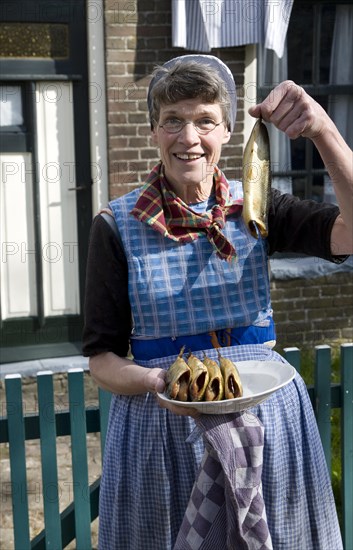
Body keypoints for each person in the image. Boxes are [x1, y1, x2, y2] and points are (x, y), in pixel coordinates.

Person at [82, 54, 352, 550]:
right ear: (153, 131)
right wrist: (161, 383)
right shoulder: (115, 226)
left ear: (228, 130)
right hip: (161, 430)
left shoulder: (258, 207)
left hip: (268, 423)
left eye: (205, 120)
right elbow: (101, 359)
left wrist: (323, 132)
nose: (189, 139)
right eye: (173, 122)